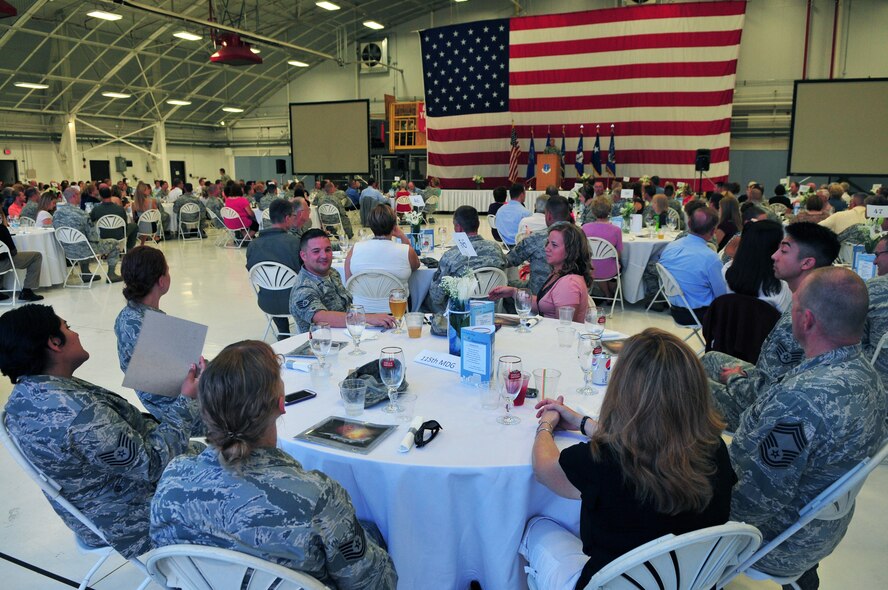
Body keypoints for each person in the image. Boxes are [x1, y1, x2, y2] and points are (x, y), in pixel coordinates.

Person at [150, 340, 398, 588]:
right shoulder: (317, 497)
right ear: (281, 404)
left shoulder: (173, 480)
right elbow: (375, 585)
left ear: (204, 408)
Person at [522, 328, 735, 590]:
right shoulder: (716, 448)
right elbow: (649, 436)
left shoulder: (603, 461)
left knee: (536, 525)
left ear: (622, 391)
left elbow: (543, 469)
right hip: (690, 580)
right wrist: (583, 423)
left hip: (612, 584)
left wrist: (546, 425)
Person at [1, 304, 203, 559]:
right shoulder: (80, 415)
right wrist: (187, 399)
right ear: (54, 342)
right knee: (234, 484)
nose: (75, 334)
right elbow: (152, 464)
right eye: (68, 327)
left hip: (96, 502)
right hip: (128, 516)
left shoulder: (22, 399)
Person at [731, 268, 886, 589]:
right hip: (817, 528)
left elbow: (752, 503)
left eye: (795, 307)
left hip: (780, 541)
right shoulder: (867, 377)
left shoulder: (802, 400)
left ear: (807, 320)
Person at [702, 222, 840, 429]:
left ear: (806, 263)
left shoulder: (799, 317)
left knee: (681, 384)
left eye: (783, 250)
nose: (774, 256)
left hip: (769, 411)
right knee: (709, 358)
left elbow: (767, 393)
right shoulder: (816, 297)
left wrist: (735, 378)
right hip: (775, 383)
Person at [113, 247, 204, 436]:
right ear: (162, 281)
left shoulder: (125, 316)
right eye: (167, 271)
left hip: (157, 406)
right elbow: (191, 379)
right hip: (185, 411)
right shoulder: (155, 329)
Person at [290, 229, 397, 334]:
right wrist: (367, 318)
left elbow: (346, 308)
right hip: (322, 345)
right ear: (303, 256)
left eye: (327, 250)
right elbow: (321, 318)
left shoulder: (332, 273)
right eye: (316, 251)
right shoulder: (303, 288)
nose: (324, 255)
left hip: (348, 335)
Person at [490, 223, 592, 323]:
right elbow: (542, 304)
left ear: (570, 251)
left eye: (554, 245)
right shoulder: (558, 274)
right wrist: (514, 292)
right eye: (547, 243)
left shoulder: (569, 284)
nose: (547, 248)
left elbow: (564, 329)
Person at [245, 198, 311, 337]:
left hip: (266, 302)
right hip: (296, 302)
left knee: (275, 286)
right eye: (294, 216)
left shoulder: (253, 245)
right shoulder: (294, 243)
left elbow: (253, 272)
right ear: (287, 218)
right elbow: (309, 272)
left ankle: (283, 332)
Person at [426, 206, 507, 313]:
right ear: (478, 224)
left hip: (461, 312)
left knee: (425, 300)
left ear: (458, 228)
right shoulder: (496, 249)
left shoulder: (450, 255)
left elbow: (436, 297)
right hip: (491, 307)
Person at [658, 206, 727, 325]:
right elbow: (722, 296)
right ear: (712, 232)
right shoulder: (710, 258)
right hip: (700, 314)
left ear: (689, 224)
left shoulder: (671, 247)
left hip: (674, 309)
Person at [345, 204, 419, 313]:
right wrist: (403, 236)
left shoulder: (355, 249)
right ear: (394, 226)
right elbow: (416, 265)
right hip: (396, 310)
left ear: (371, 226)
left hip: (361, 312)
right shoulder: (406, 251)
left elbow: (349, 282)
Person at [53, 186, 123, 282]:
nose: (81, 197)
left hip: (68, 250)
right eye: (79, 195)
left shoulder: (57, 214)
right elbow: (93, 237)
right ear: (74, 196)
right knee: (114, 243)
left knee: (82, 242)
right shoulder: (82, 214)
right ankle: (111, 274)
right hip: (84, 250)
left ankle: (86, 273)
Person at [506, 195, 573, 295]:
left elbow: (509, 260)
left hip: (539, 296)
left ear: (548, 215)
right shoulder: (581, 236)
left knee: (505, 286)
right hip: (573, 294)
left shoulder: (536, 238)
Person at [723, 219, 792, 312]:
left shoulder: (726, 271)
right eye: (782, 247)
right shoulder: (780, 287)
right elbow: (785, 323)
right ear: (774, 249)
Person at [581, 196, 623, 298]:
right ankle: (611, 294)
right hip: (609, 270)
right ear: (609, 211)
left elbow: (582, 250)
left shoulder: (584, 228)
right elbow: (618, 254)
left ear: (593, 212)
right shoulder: (616, 230)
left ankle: (607, 294)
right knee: (620, 264)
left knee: (597, 261)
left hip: (589, 269)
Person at [0, 209, 44, 301]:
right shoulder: (2, 229)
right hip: (2, 264)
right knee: (36, 256)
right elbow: (13, 252)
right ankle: (27, 291)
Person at [862, 235, 888, 384]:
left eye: (878, 255)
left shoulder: (874, 288)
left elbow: (853, 340)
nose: (874, 261)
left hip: (878, 382)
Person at [90, 186, 138, 250]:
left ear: (100, 196)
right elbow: (125, 225)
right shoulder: (120, 209)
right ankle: (129, 249)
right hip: (119, 235)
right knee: (134, 226)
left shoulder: (96, 209)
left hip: (103, 235)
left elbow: (90, 221)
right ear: (111, 195)